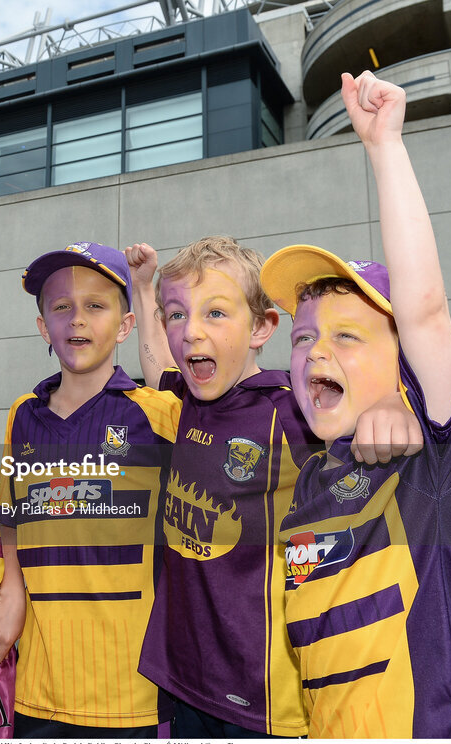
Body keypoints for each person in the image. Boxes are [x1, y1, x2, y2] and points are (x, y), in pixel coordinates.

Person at [260, 71, 451, 738]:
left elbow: (425, 315)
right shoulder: (307, 488)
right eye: (304, 336)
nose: (314, 351)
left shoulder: (430, 466)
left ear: (403, 369)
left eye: (347, 335)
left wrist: (384, 147)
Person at [126, 232, 421, 738]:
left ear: (262, 327)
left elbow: (358, 397)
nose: (191, 332)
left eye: (215, 313)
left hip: (260, 694)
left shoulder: (290, 408)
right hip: (183, 673)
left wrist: (396, 400)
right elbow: (157, 366)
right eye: (177, 315)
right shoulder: (189, 398)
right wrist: (141, 285)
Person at [0, 242, 182, 737]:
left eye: (96, 306)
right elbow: (10, 510)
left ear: (125, 325)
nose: (77, 320)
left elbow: (173, 380)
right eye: (61, 307)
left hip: (130, 691)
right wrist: (11, 591)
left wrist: (144, 287)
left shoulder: (157, 414)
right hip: (38, 687)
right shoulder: (22, 413)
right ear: (42, 326)